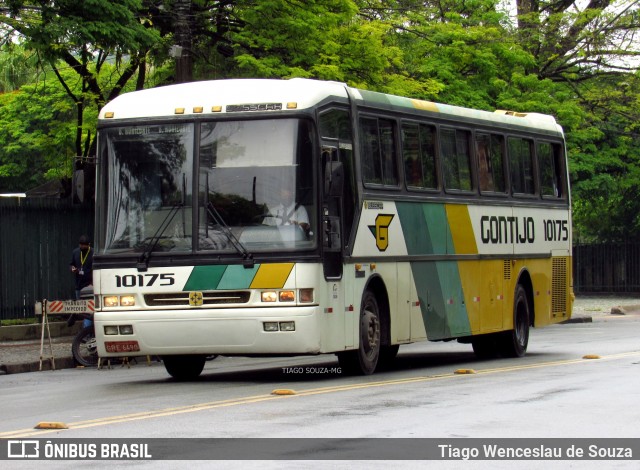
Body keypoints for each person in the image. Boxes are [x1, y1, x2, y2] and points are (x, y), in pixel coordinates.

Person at [70, 235, 93, 300]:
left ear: (88, 245)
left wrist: (92, 283)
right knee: (80, 305)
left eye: (84, 245)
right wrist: (72, 268)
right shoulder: (75, 252)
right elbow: (71, 264)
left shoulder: (93, 253)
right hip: (79, 285)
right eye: (80, 245)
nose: (82, 246)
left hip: (90, 285)